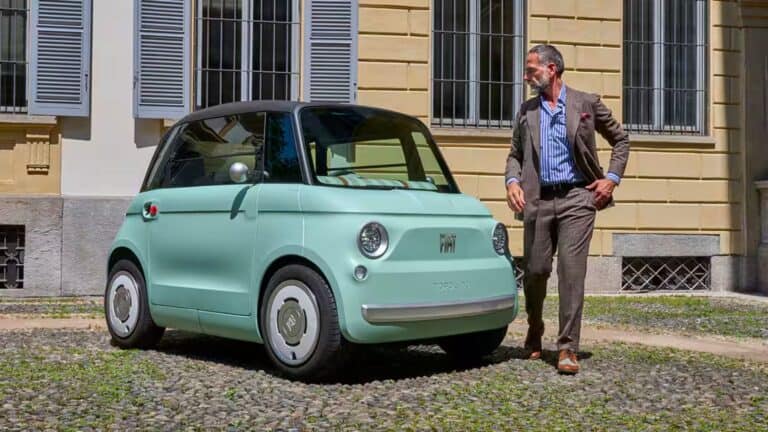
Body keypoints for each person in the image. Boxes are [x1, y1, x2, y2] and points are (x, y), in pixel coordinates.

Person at [505, 44, 630, 374]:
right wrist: (512, 183)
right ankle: (534, 327)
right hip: (538, 199)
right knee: (535, 270)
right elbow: (515, 155)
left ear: (552, 70)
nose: (527, 76)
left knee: (571, 274)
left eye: (531, 70)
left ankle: (567, 348)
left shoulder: (585, 103)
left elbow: (621, 140)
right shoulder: (526, 111)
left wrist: (611, 179)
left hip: (578, 198)